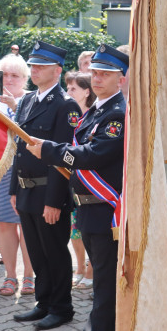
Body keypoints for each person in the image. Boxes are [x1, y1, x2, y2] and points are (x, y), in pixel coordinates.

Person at [27, 44, 128, 331]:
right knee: (105, 278)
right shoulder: (96, 109)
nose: (97, 78)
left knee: (103, 281)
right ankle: (109, 330)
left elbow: (91, 155)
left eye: (105, 74)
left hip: (104, 210)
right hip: (88, 209)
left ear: (121, 79)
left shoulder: (116, 114)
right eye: (95, 72)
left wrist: (49, 150)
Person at [9, 42, 81, 331]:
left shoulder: (65, 105)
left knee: (54, 250)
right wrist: (14, 188)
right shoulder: (27, 101)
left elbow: (63, 157)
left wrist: (54, 201)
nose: (34, 70)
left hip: (49, 191)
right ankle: (44, 302)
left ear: (57, 70)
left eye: (40, 65)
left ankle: (62, 307)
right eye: (33, 65)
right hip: (27, 189)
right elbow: (19, 148)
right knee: (37, 252)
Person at [0, 53, 35, 297]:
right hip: (0, 172)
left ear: (26, 79)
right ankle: (10, 276)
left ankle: (30, 277)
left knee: (28, 227)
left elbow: (30, 137)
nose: (10, 80)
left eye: (15, 75)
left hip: (26, 171)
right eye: (5, 75)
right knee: (3, 225)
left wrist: (14, 107)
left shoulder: (32, 101)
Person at [65, 71, 95, 291]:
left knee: (90, 231)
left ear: (87, 91)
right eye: (67, 88)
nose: (68, 92)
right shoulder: (68, 115)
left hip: (92, 185)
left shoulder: (95, 116)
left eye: (73, 88)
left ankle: (92, 270)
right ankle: (79, 267)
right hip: (70, 181)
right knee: (74, 229)